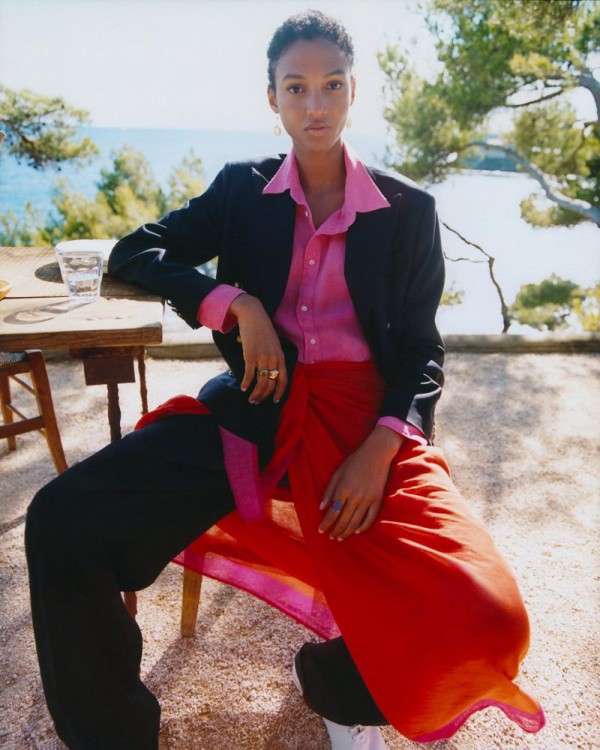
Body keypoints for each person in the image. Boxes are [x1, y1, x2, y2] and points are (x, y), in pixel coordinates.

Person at [26, 10, 545, 750]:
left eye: (332, 84)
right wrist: (233, 302)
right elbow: (136, 252)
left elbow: (422, 351)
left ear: (354, 91)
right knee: (60, 519)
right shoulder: (242, 191)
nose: (315, 104)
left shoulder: (408, 209)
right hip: (256, 410)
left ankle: (333, 682)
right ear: (272, 98)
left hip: (369, 425)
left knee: (490, 615)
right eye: (296, 87)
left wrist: (382, 449)